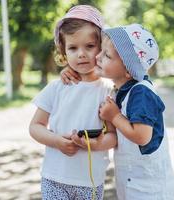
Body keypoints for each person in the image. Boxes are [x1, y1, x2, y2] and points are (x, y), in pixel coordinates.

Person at [62, 23, 174, 200]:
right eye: (101, 50)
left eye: (106, 55)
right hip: (131, 181)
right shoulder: (119, 89)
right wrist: (69, 70)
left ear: (129, 70)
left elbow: (142, 136)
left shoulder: (141, 93)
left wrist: (114, 116)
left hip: (150, 187)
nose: (98, 57)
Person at [29, 5, 117, 200]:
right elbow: (35, 126)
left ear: (102, 47)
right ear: (63, 51)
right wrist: (57, 141)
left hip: (90, 182)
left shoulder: (109, 91)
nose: (81, 54)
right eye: (73, 48)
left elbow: (113, 136)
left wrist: (92, 144)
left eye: (89, 46)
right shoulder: (57, 87)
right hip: (54, 178)